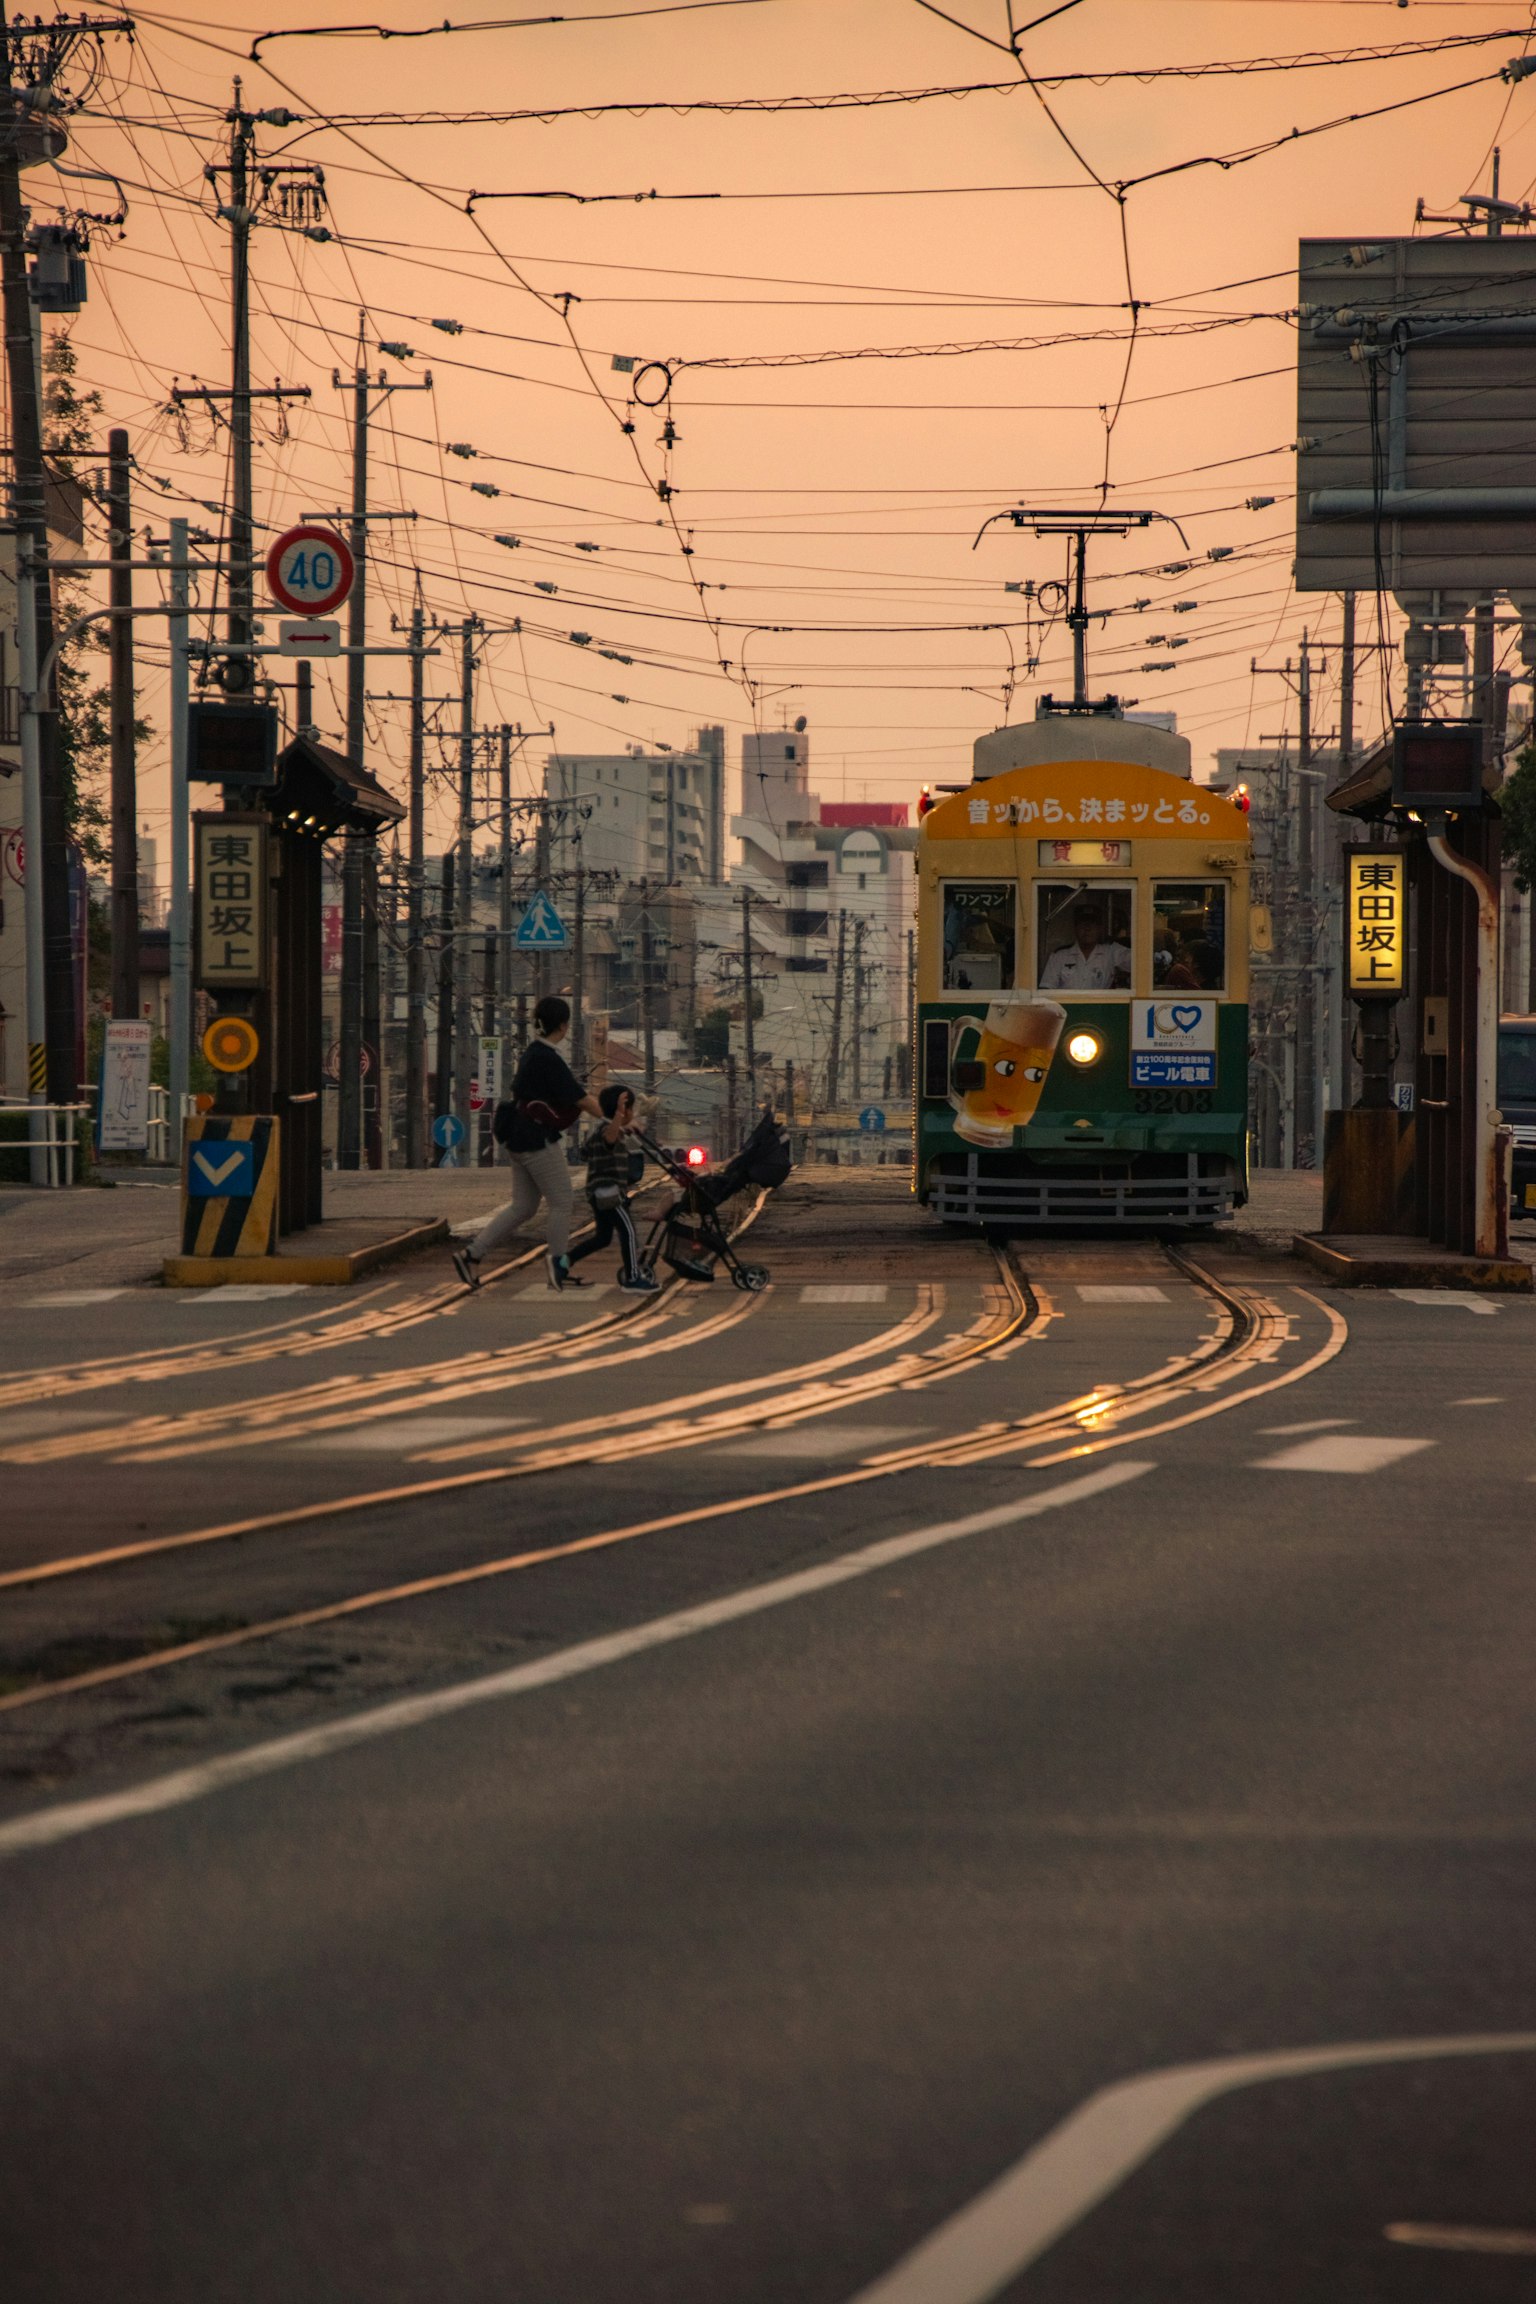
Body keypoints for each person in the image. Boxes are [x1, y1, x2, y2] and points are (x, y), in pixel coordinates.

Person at [452, 995, 602, 1292]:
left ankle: (472, 1254)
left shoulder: (533, 1053)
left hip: (517, 1136)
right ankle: (558, 1268)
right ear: (563, 1025)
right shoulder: (548, 1058)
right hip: (535, 1139)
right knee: (562, 1201)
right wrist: (613, 1117)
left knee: (523, 1206)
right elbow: (581, 1099)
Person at [567, 1084, 658, 1295]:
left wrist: (625, 1126)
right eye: (631, 1109)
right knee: (628, 1232)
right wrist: (619, 1116)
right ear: (623, 1110)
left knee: (603, 1237)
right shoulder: (607, 1132)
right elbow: (609, 1138)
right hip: (608, 1193)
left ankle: (564, 1261)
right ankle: (632, 1278)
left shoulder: (603, 1130)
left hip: (599, 1193)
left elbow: (587, 1151)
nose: (632, 1114)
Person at [1040, 900, 1131, 991]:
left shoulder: (1111, 951)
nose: (1087, 928)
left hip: (1100, 1001)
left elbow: (1137, 964)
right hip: (1067, 1001)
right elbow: (1046, 989)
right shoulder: (1059, 956)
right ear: (1075, 928)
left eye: (1092, 924)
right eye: (1083, 924)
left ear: (1100, 928)